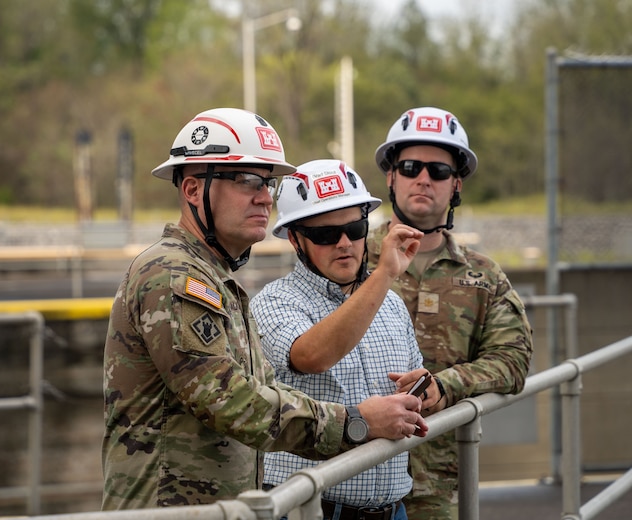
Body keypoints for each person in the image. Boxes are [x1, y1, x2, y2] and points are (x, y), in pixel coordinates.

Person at [101, 108, 428, 510]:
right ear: (191, 190)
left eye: (267, 183)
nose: (264, 196)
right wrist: (355, 424)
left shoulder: (213, 279)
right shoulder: (172, 274)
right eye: (245, 180)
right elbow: (230, 401)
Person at [367, 106, 534, 519]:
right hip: (352, 476)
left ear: (456, 184)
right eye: (410, 167)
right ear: (391, 177)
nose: (424, 179)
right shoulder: (349, 258)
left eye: (439, 171)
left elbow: (513, 360)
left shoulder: (484, 276)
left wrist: (447, 385)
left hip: (434, 486)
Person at [251, 159, 440, 520]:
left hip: (392, 510)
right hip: (311, 511)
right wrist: (384, 273)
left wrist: (424, 387)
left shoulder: (392, 304)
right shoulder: (274, 302)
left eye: (354, 229)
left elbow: (416, 381)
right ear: (295, 239)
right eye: (325, 235)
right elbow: (312, 355)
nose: (344, 243)